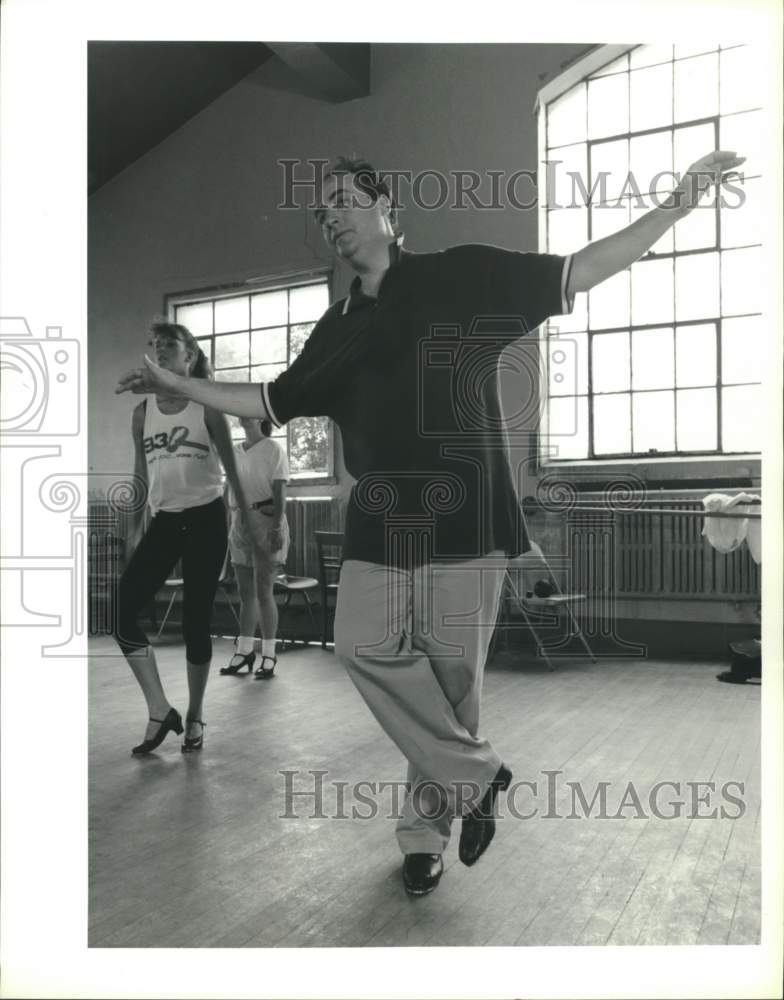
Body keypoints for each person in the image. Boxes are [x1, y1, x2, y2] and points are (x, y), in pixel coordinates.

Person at [116, 148, 744, 893]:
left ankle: (423, 835)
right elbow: (269, 400)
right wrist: (177, 381)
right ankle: (480, 776)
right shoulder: (338, 324)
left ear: (389, 210)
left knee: (451, 688)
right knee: (360, 645)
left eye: (347, 199)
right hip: (381, 522)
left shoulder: (459, 277)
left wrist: (677, 204)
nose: (335, 217)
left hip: (468, 518)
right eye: (323, 212)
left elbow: (577, 270)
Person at [115, 322, 248, 755]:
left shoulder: (207, 406)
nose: (159, 352)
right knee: (120, 612)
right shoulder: (143, 413)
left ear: (189, 356)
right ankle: (160, 710)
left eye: (169, 346)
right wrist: (135, 529)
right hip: (165, 521)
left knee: (195, 623)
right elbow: (141, 473)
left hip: (206, 518)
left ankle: (194, 714)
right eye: (154, 346)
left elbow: (233, 471)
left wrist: (250, 522)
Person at [220, 416, 290, 679]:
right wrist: (231, 524)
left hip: (266, 521)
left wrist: (275, 528)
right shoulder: (236, 450)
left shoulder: (274, 449)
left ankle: (269, 655)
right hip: (240, 523)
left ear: (262, 418)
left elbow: (280, 492)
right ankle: (245, 650)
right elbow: (229, 490)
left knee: (263, 591)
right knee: (245, 592)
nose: (243, 415)